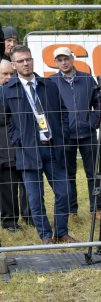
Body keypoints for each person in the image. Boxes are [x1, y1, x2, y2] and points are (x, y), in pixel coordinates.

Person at [0, 45, 75, 244]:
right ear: (14, 65)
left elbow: (63, 113)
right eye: (21, 61)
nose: (26, 63)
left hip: (52, 147)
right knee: (34, 197)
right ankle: (45, 235)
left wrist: (63, 136)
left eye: (28, 59)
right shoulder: (6, 90)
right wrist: (18, 139)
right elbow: (6, 120)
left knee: (64, 191)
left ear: (32, 60)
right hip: (27, 150)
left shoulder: (48, 85)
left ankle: (61, 232)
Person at [50, 47, 101, 220]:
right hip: (65, 137)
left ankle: (97, 210)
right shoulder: (51, 82)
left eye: (66, 58)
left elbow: (99, 104)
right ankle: (72, 211)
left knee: (94, 173)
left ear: (72, 59)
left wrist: (92, 121)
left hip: (88, 134)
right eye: (59, 60)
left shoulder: (87, 79)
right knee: (67, 174)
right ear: (55, 62)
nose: (63, 62)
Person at [0, 58, 21, 232]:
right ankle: (9, 220)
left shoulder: (17, 90)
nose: (8, 77)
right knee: (8, 184)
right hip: (4, 143)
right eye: (4, 74)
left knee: (14, 184)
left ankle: (18, 219)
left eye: (11, 74)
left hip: (13, 144)